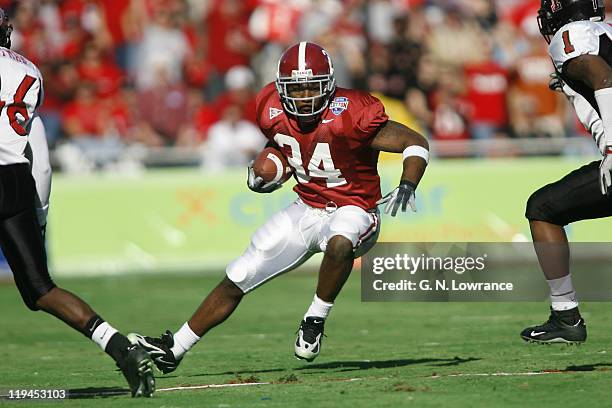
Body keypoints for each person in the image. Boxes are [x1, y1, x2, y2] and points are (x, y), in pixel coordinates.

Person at [129, 41, 429, 372]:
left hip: (356, 207)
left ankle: (315, 319)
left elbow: (414, 142)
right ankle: (175, 348)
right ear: (281, 87)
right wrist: (266, 172)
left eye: (310, 88)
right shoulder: (270, 107)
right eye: (295, 89)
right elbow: (282, 148)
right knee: (240, 274)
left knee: (341, 239)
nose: (303, 97)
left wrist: (408, 182)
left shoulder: (353, 111)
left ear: (328, 85)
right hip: (308, 207)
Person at [0, 9, 155, 397]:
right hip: (15, 178)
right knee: (41, 290)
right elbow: (39, 158)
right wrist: (39, 218)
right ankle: (122, 349)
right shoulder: (29, 71)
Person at [521, 0, 611, 344]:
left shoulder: (570, 35)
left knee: (542, 209)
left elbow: (603, 76)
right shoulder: (604, 32)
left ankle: (565, 316)